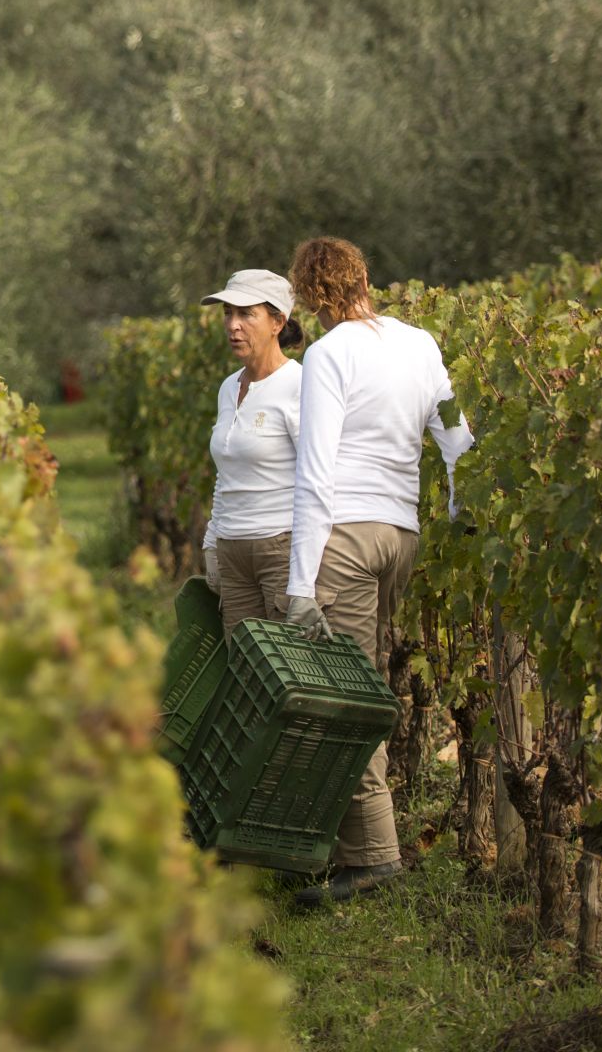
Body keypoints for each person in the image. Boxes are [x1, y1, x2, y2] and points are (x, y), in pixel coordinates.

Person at [284, 237, 472, 906]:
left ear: (310, 296)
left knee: (347, 696)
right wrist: (461, 499)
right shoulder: (418, 343)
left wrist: (301, 583)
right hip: (401, 535)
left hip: (346, 538)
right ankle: (350, 842)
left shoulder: (328, 356)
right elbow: (453, 429)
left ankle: (370, 857)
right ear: (366, 278)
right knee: (365, 679)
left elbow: (315, 474)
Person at [197, 269, 305, 634]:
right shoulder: (229, 387)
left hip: (279, 549)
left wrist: (305, 566)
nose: (233, 325)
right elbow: (226, 472)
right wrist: (213, 541)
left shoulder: (299, 385)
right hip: (232, 551)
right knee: (244, 669)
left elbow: (318, 474)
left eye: (246, 314)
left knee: (288, 672)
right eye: (228, 313)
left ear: (277, 322)